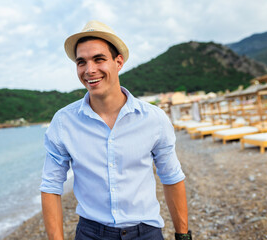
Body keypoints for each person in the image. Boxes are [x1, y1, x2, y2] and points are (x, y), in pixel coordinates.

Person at [40, 20, 192, 240]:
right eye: (81, 62)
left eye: (99, 59)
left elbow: (172, 177)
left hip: (146, 232)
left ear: (118, 62)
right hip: (91, 233)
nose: (89, 70)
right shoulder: (64, 123)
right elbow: (51, 186)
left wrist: (183, 235)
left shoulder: (154, 119)